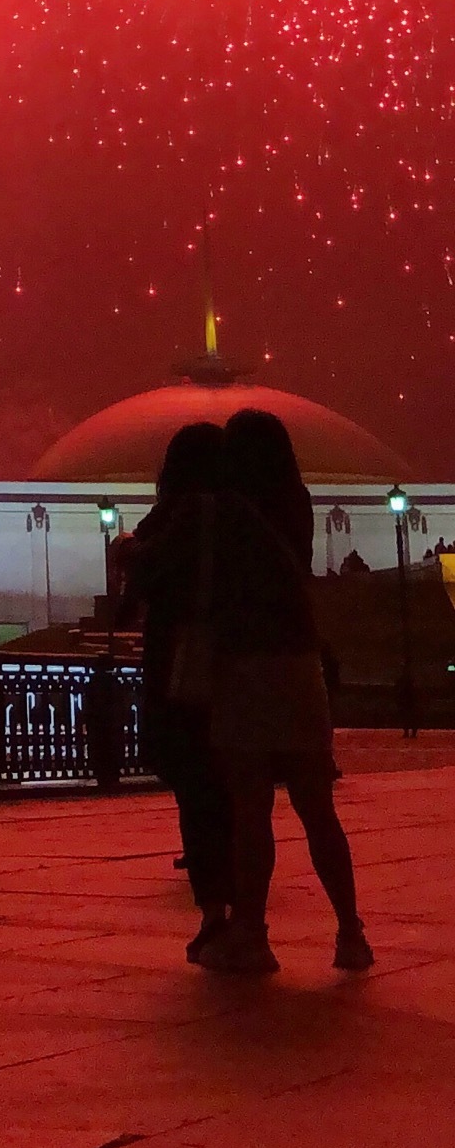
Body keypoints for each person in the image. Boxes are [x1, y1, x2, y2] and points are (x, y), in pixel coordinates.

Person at [138, 407, 371, 975]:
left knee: (251, 810)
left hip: (246, 667)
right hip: (301, 665)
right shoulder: (295, 504)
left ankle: (252, 934)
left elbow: (165, 572)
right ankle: (350, 933)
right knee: (319, 811)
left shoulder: (222, 511)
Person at [122, 422, 231, 961]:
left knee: (196, 787)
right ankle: (245, 915)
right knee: (236, 793)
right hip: (238, 662)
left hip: (182, 664)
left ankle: (215, 914)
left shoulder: (177, 516)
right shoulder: (245, 513)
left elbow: (141, 575)